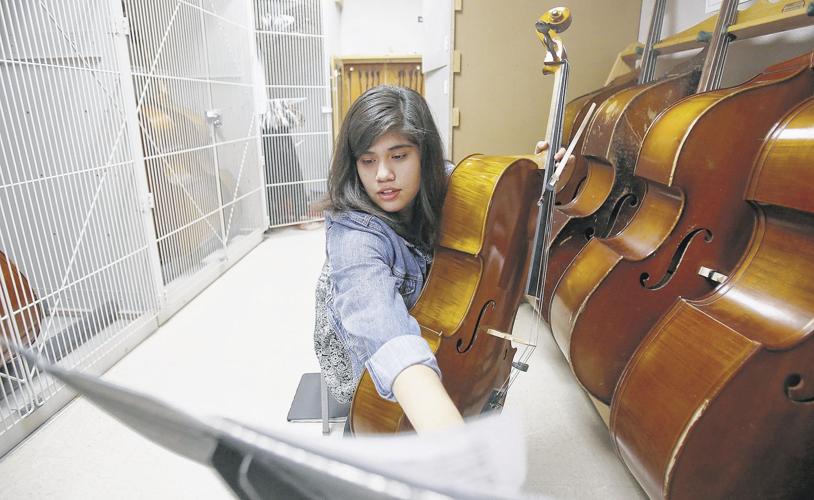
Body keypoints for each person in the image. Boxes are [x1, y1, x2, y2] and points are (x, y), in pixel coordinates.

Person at [313, 85, 568, 434]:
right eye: (368, 161)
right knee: (378, 426)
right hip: (359, 349)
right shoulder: (353, 232)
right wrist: (450, 439)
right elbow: (381, 326)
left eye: (399, 156)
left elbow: (501, 192)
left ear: (425, 154)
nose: (383, 174)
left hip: (436, 328)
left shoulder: (447, 182)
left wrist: (545, 173)